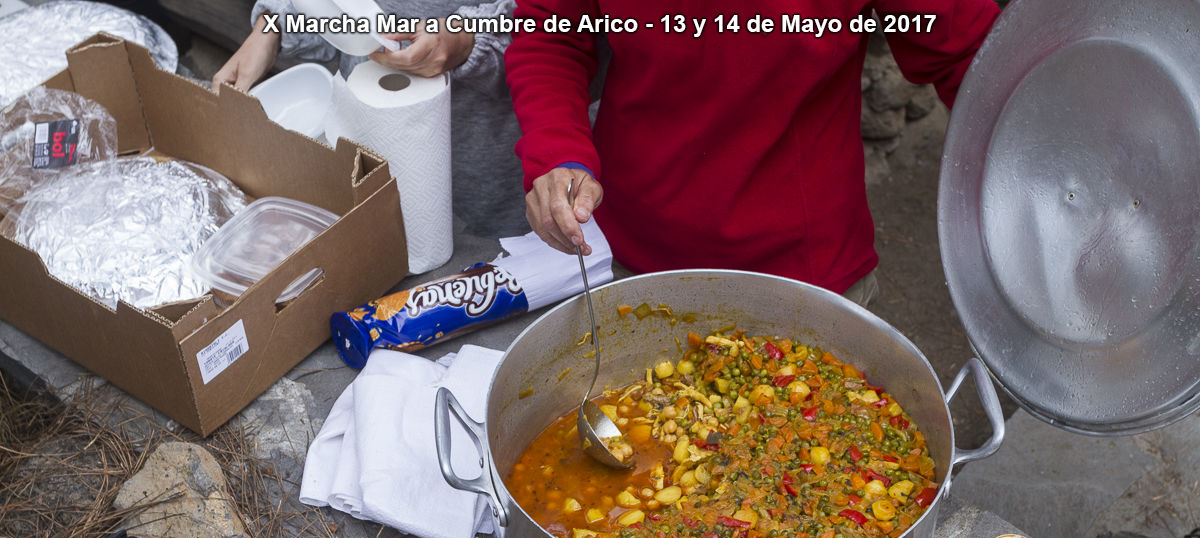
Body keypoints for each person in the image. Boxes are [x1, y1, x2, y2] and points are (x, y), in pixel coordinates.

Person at [504, 1, 1001, 302]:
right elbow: (552, 34)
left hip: (807, 282)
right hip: (627, 258)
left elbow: (974, 54)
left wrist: (1040, 189)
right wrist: (558, 157)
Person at [213, 0, 528, 238]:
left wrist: (469, 39)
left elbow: (554, 29)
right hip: (364, 157)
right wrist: (272, 27)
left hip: (483, 176)